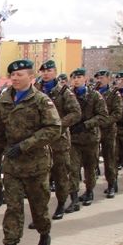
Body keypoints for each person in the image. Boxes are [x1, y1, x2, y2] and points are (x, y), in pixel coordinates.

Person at [0, 59, 61, 245]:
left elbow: (53, 129)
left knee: (39, 209)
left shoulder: (41, 100)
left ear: (31, 77)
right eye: (12, 74)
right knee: (13, 209)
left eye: (19, 75)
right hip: (12, 166)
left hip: (36, 165)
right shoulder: (5, 99)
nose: (15, 78)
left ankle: (44, 235)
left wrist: (25, 146)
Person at [35, 60, 81, 220]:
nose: (46, 73)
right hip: (40, 141)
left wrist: (58, 125)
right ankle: (42, 213)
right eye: (43, 71)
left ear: (55, 72)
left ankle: (61, 204)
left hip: (58, 141)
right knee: (41, 180)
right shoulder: (35, 89)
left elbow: (75, 113)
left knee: (61, 175)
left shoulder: (64, 92)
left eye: (49, 70)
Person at [66, 68, 108, 211]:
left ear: (85, 78)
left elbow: (103, 116)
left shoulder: (95, 96)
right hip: (74, 139)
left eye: (79, 77)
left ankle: (89, 191)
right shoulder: (68, 95)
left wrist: (86, 124)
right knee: (73, 168)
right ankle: (74, 199)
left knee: (90, 168)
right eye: (73, 77)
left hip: (90, 138)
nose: (76, 80)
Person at [96, 70, 122, 198]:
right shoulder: (93, 92)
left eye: (102, 78)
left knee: (109, 158)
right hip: (94, 131)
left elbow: (117, 113)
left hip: (108, 131)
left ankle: (112, 184)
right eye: (98, 78)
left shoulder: (114, 94)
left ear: (108, 78)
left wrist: (103, 122)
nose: (99, 80)